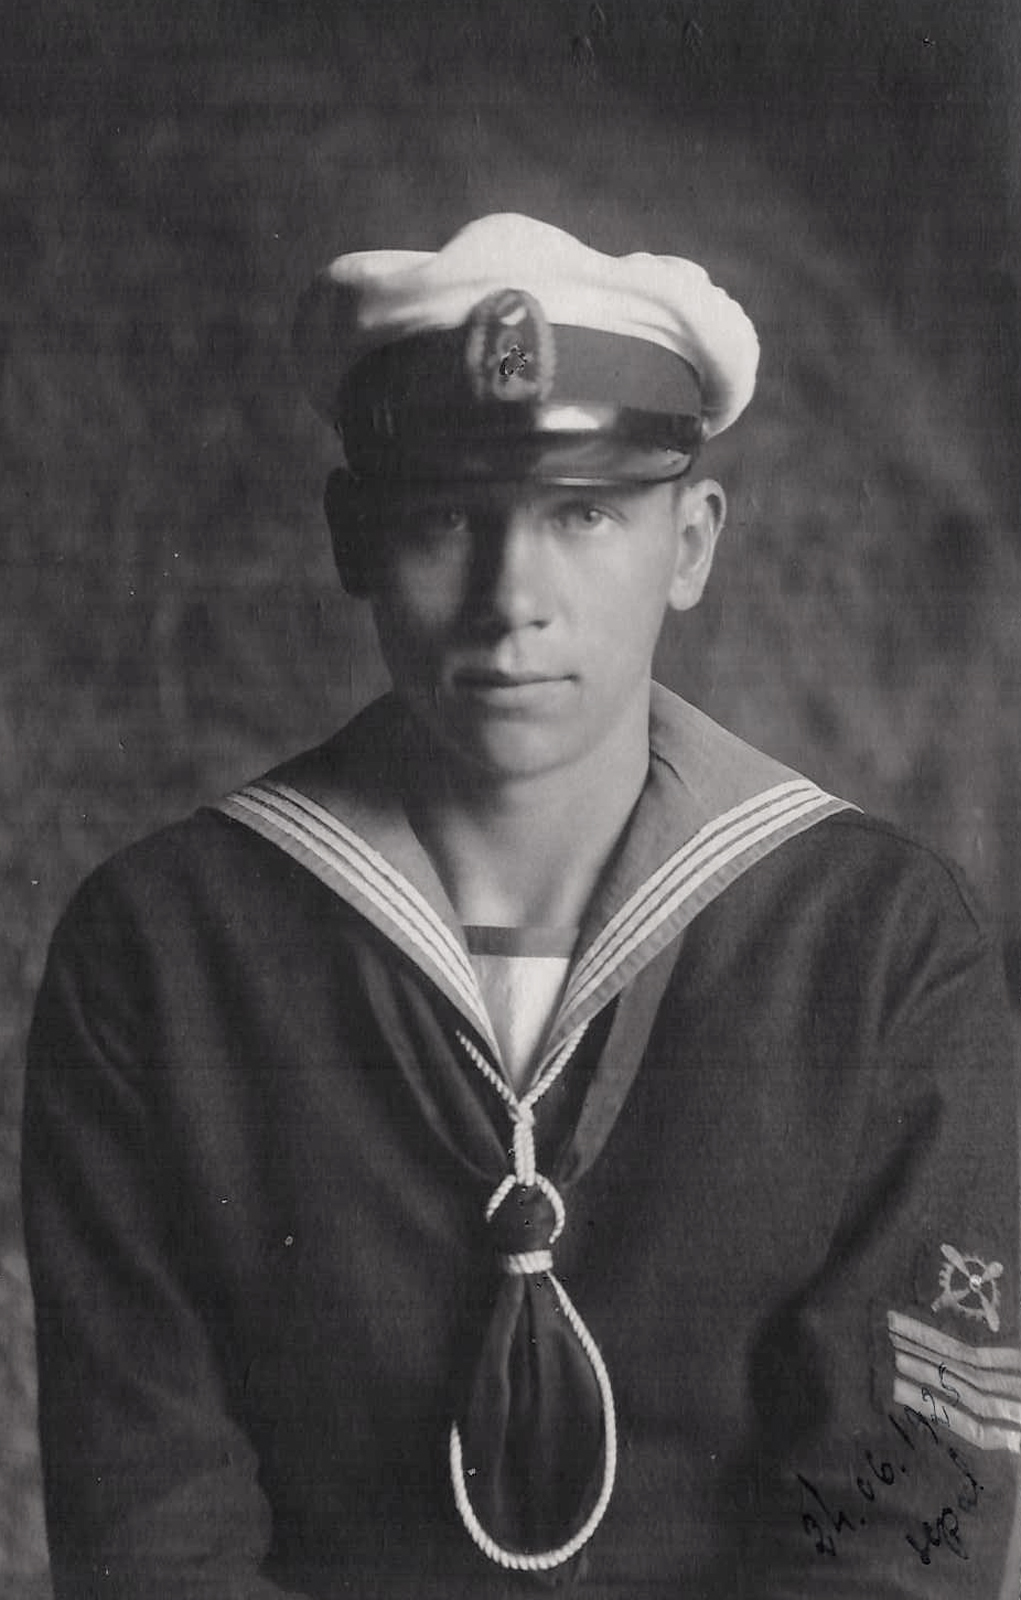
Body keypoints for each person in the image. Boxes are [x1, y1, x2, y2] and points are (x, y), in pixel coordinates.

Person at [23, 213, 1021, 1599]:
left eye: (583, 514)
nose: (513, 600)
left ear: (690, 543)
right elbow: (151, 1534)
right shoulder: (161, 952)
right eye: (444, 517)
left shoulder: (876, 945)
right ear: (352, 537)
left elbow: (904, 1526)